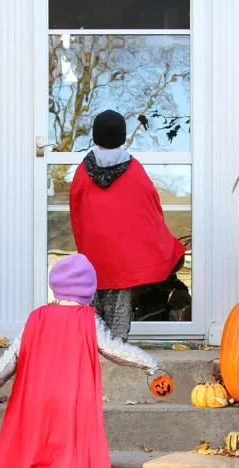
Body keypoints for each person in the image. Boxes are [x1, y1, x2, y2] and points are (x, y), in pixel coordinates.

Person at [0, 253, 158, 468]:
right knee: (70, 447)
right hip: (72, 398)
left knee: (38, 438)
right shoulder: (88, 319)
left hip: (35, 397)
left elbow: (13, 354)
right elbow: (114, 349)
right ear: (89, 291)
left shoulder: (37, 316)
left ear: (56, 286)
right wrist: (148, 362)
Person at [69, 109, 186, 341]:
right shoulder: (133, 170)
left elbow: (76, 208)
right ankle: (118, 346)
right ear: (122, 137)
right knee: (119, 300)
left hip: (95, 251)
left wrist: (85, 242)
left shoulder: (84, 170)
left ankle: (94, 346)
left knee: (93, 299)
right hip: (122, 256)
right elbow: (151, 208)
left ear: (95, 137)